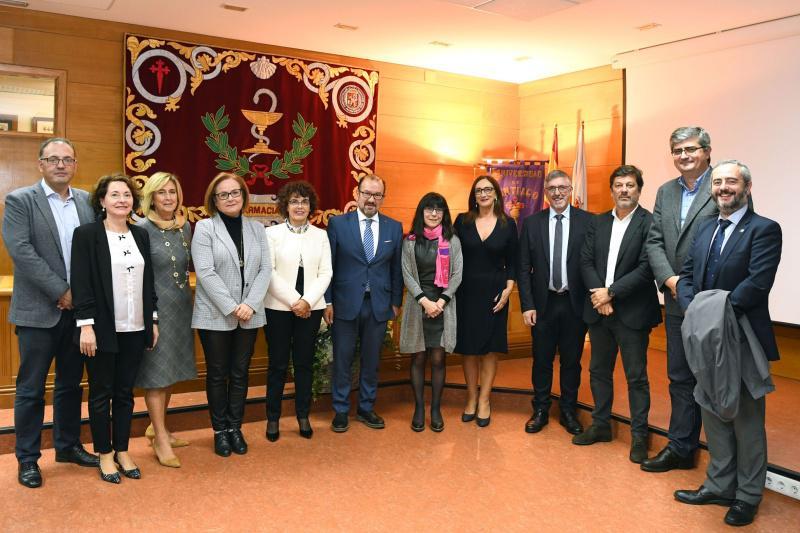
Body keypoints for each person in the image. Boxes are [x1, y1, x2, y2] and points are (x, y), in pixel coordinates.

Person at [674, 160, 782, 527]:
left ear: (747, 187)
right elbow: (686, 276)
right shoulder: (705, 227)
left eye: (731, 181)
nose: (723, 187)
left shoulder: (765, 229)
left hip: (741, 334)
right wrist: (694, 310)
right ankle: (720, 485)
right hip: (704, 335)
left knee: (745, 417)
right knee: (711, 408)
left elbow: (757, 283)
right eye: (718, 181)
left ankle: (748, 496)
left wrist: (711, 314)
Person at [2, 137, 99, 488]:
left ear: (75, 165)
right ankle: (27, 458)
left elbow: (95, 250)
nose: (61, 165)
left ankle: (68, 446)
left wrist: (79, 298)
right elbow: (21, 251)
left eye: (67, 159)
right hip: (37, 313)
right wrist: (62, 291)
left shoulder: (87, 201)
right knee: (31, 389)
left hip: (77, 315)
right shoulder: (20, 200)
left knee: (70, 385)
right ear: (40, 164)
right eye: (53, 159)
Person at [71, 173, 159, 484]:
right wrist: (86, 326)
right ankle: (105, 453)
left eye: (127, 195)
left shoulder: (140, 235)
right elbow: (81, 283)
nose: (122, 200)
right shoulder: (87, 235)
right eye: (115, 195)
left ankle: (122, 449)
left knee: (125, 393)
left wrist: (153, 319)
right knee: (101, 393)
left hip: (135, 327)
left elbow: (149, 282)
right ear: (102, 201)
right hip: (101, 329)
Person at [573, 165, 661, 464]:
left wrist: (610, 293)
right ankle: (601, 426)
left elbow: (647, 267)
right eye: (619, 185)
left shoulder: (650, 223)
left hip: (633, 313)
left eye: (630, 185)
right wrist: (600, 296)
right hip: (599, 310)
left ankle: (638, 437)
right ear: (612, 190)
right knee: (599, 371)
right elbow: (585, 261)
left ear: (639, 190)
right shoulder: (597, 222)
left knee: (636, 377)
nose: (624, 190)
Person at [641, 126, 716, 472]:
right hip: (674, 298)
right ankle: (681, 447)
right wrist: (670, 280)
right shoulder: (666, 191)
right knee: (680, 376)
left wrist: (692, 286)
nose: (684, 156)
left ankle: (723, 459)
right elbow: (654, 241)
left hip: (712, 301)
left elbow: (737, 240)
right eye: (677, 150)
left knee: (714, 380)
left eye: (691, 149)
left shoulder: (723, 184)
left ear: (707, 151)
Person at [191, 172, 271, 457]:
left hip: (250, 312)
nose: (230, 198)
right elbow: (205, 272)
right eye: (223, 194)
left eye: (235, 192)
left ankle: (235, 427)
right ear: (214, 200)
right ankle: (219, 431)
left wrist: (250, 303)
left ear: (243, 195)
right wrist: (232, 306)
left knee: (240, 373)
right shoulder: (205, 228)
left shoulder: (257, 229)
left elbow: (265, 269)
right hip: (215, 313)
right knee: (217, 373)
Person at [324, 174, 403, 433]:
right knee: (343, 359)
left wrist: (395, 301)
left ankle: (366, 407)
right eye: (367, 193)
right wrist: (327, 301)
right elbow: (328, 266)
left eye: (377, 195)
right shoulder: (338, 224)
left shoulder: (394, 228)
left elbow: (396, 269)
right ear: (357, 194)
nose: (371, 199)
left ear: (383, 198)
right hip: (344, 303)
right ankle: (340, 410)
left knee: (372, 361)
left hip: (378, 305)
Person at [518, 170, 593, 436]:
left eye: (562, 188)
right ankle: (540, 409)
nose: (558, 193)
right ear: (546, 193)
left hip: (575, 304)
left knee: (572, 362)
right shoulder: (532, 223)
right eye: (552, 188)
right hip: (543, 304)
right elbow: (523, 267)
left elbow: (593, 263)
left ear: (571, 190)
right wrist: (527, 305)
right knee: (542, 360)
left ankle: (568, 411)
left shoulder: (588, 222)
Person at [135, 172, 196, 468]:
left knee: (170, 370)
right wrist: (150, 317)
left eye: (172, 192)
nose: (168, 197)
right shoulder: (140, 229)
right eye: (162, 192)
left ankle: (157, 428)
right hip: (156, 311)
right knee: (156, 375)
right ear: (151, 197)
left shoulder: (185, 227)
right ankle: (160, 438)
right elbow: (138, 278)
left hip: (182, 309)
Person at [263, 181, 332, 441]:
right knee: (277, 364)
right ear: (285, 205)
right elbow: (269, 272)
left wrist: (308, 302)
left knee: (304, 364)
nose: (299, 206)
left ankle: (303, 415)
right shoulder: (272, 234)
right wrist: (295, 301)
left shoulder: (321, 236)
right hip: (278, 308)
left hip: (310, 309)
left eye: (304, 201)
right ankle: (273, 419)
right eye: (294, 201)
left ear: (311, 206)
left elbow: (326, 273)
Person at [453, 175, 518, 427]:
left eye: (488, 189)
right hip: (466, 293)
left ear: (496, 194)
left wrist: (508, 289)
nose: (483, 194)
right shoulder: (462, 221)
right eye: (479, 190)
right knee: (469, 349)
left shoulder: (507, 224)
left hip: (495, 293)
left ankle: (484, 400)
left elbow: (513, 261)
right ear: (474, 195)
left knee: (490, 349)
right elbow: (450, 254)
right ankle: (471, 398)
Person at [399, 193, 463, 432]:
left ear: (444, 213)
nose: (434, 214)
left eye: (439, 209)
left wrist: (441, 301)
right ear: (421, 211)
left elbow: (457, 274)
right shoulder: (410, 240)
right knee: (418, 357)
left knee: (438, 358)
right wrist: (425, 301)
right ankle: (419, 408)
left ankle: (435, 409)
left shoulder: (452, 240)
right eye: (429, 209)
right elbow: (407, 273)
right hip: (418, 305)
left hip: (443, 306)